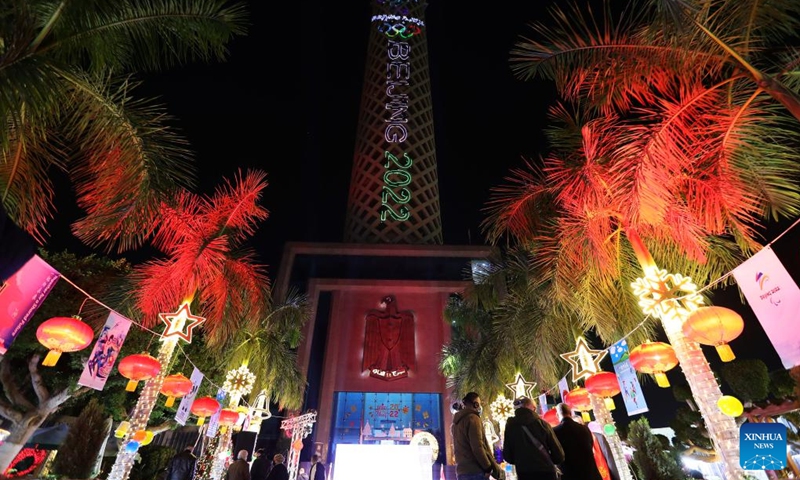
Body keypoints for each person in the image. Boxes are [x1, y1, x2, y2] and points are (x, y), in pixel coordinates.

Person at [503, 398, 564, 480]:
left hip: (524, 473)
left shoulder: (510, 427)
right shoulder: (542, 424)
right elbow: (558, 455)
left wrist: (520, 461)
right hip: (546, 472)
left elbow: (507, 456)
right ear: (532, 408)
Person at [452, 392, 503, 480]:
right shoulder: (473, 419)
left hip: (462, 471)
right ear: (475, 404)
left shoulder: (457, 422)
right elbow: (477, 447)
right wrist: (488, 467)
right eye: (478, 404)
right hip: (475, 471)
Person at [553, 404, 603, 480]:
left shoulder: (555, 432)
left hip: (570, 474)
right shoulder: (584, 429)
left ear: (557, 415)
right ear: (570, 413)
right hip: (590, 473)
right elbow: (591, 445)